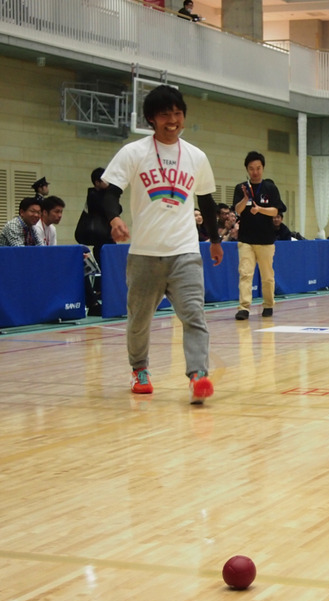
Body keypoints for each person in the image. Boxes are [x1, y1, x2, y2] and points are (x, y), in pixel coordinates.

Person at [100, 84, 222, 403]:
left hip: (185, 251)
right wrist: (114, 219)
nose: (173, 119)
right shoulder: (134, 152)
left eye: (178, 113)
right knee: (139, 320)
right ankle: (139, 368)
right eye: (165, 113)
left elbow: (207, 202)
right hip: (144, 254)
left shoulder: (196, 156)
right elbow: (108, 192)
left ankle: (198, 374)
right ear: (151, 119)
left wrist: (215, 240)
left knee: (194, 315)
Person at [232, 150, 286, 321]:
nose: (255, 172)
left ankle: (268, 304)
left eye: (258, 168)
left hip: (265, 240)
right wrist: (245, 198)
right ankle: (244, 308)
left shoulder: (270, 188)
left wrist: (259, 209)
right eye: (251, 168)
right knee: (245, 274)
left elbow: (276, 210)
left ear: (263, 168)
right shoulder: (241, 188)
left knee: (267, 276)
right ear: (247, 169)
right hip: (246, 239)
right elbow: (237, 210)